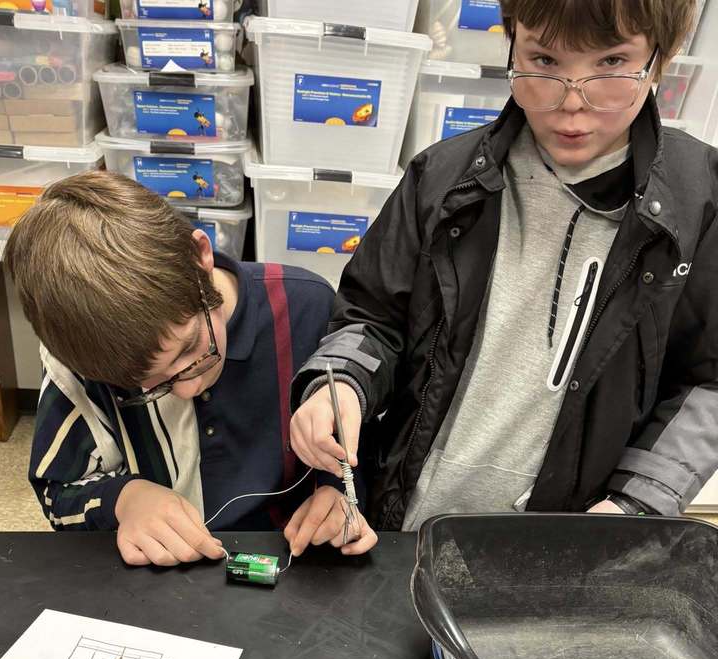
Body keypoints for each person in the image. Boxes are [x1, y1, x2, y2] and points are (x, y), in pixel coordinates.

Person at [289, 0, 718, 531]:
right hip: (406, 523)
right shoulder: (441, 178)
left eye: (611, 65)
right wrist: (341, 384)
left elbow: (708, 380)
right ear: (511, 41)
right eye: (543, 62)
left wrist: (640, 501)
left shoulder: (701, 202)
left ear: (660, 58)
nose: (572, 105)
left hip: (566, 543)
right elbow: (371, 318)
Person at [3, 171, 377, 566]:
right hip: (157, 577)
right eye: (142, 386)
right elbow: (57, 491)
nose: (184, 390)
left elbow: (358, 451)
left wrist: (338, 493)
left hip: (289, 564)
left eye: (191, 350)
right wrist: (125, 500)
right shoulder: (79, 356)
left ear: (201, 257)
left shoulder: (306, 308)